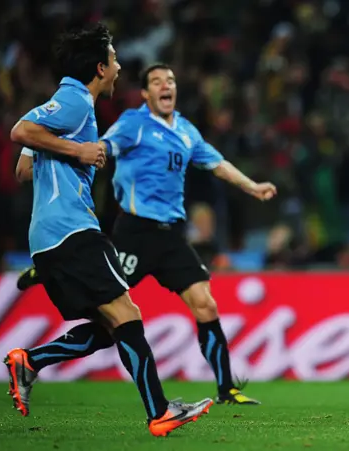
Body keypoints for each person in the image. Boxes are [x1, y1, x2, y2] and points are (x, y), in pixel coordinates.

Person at [16, 63, 277, 404]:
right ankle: (46, 300)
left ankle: (226, 389)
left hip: (171, 236)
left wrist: (252, 186)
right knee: (112, 319)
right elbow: (102, 149)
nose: (165, 86)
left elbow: (216, 163)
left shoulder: (185, 130)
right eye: (156, 81)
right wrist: (71, 155)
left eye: (170, 80)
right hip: (134, 234)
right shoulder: (133, 124)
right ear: (146, 93)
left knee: (206, 304)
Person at [5, 23, 213, 437]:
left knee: (110, 326)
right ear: (100, 68)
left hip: (47, 238)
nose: (119, 68)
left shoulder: (63, 106)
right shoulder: (76, 99)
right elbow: (20, 132)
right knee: (126, 315)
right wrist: (77, 149)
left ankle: (30, 362)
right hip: (72, 230)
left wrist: (58, 147)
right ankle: (159, 411)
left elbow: (23, 168)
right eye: (114, 60)